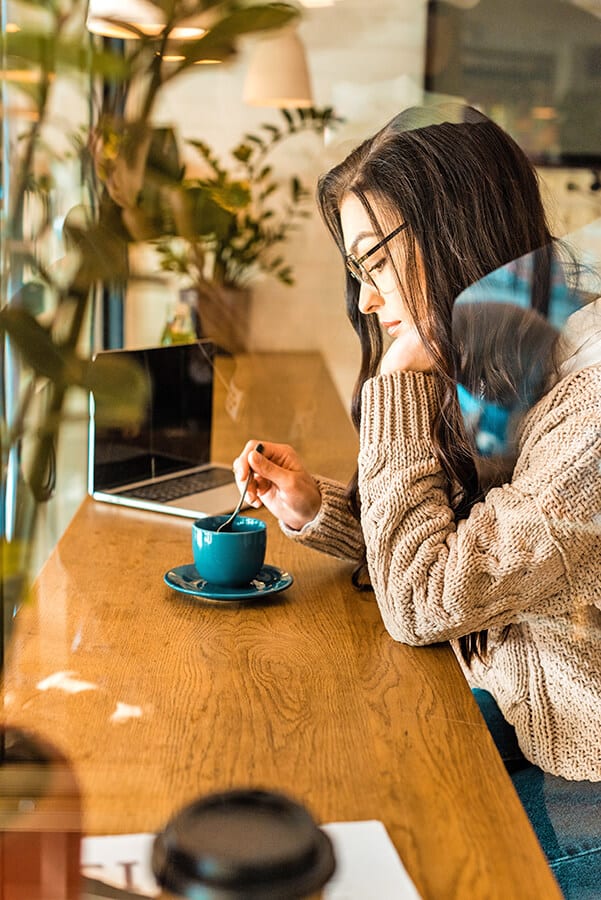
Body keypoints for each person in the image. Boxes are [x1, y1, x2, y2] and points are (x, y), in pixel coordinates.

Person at [233, 105, 601, 894]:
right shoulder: (525, 342)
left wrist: (399, 376)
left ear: (456, 228)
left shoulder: (591, 404)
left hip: (580, 793)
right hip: (525, 728)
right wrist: (316, 510)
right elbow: (472, 559)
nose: (367, 301)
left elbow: (424, 601)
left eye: (374, 262)